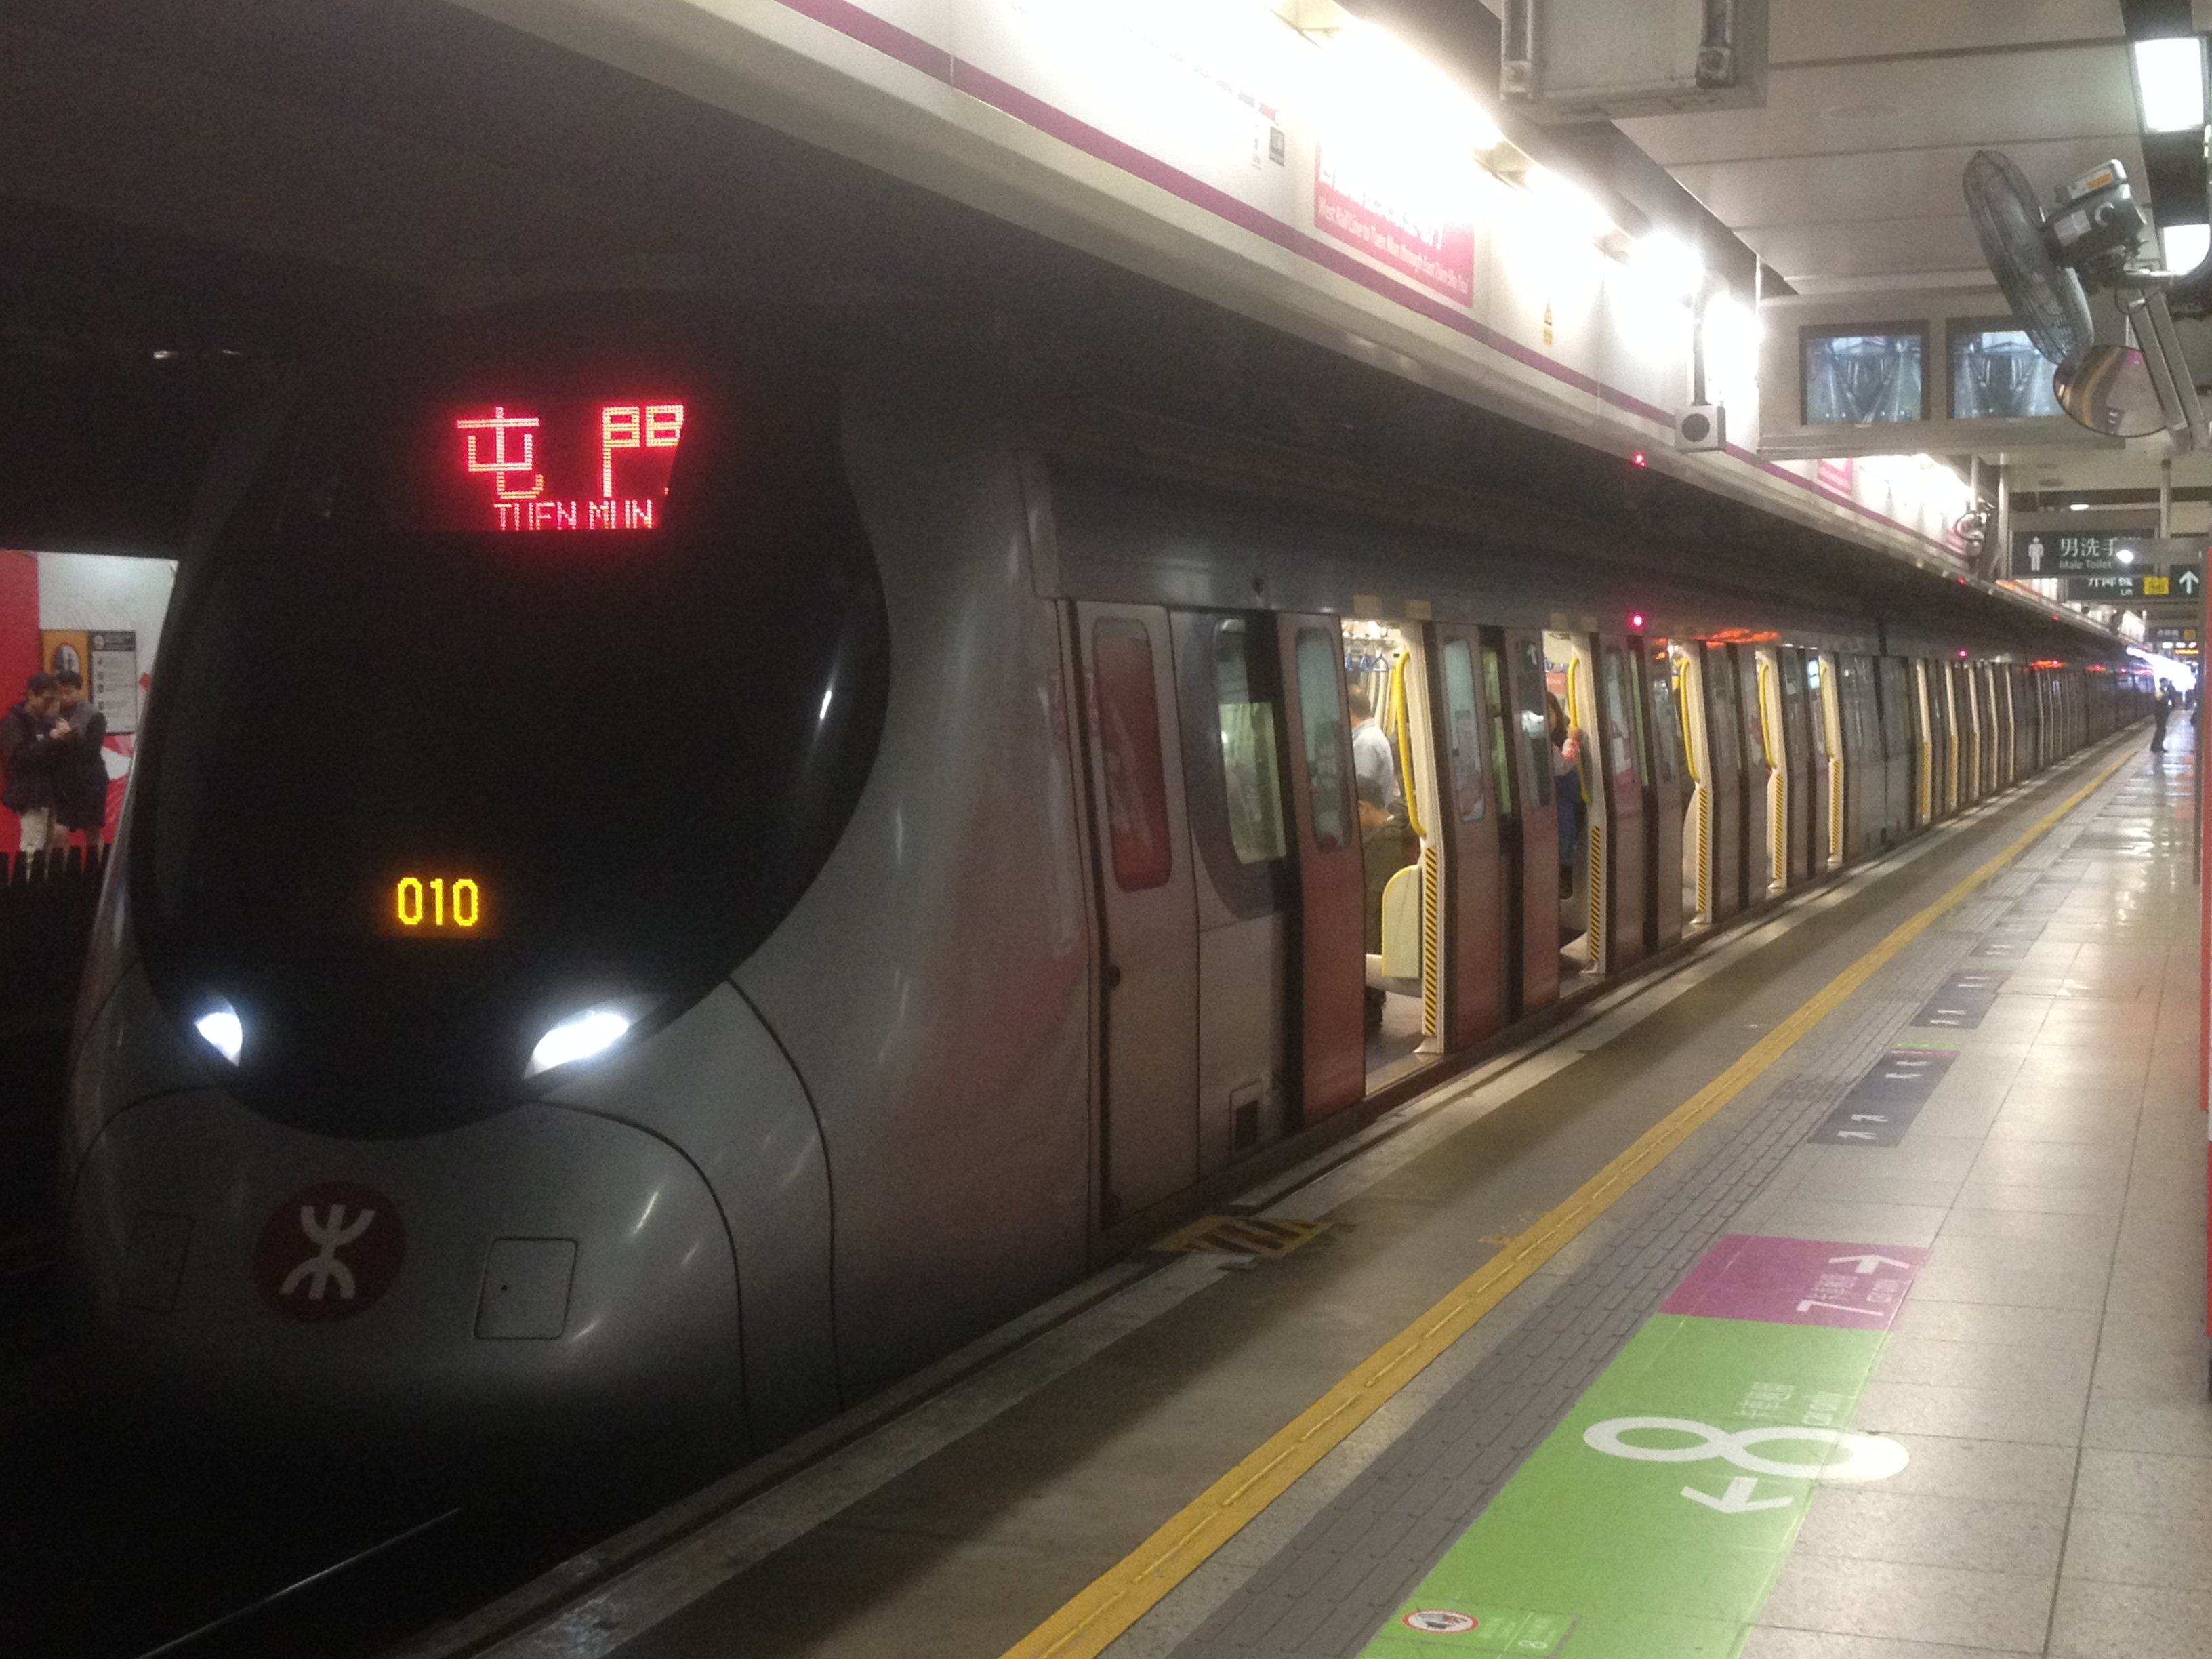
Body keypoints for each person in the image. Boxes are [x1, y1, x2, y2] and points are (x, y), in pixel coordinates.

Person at [1, 672, 69, 855]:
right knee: (32, 850)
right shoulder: (13, 723)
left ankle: (42, 884)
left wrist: (66, 739)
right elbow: (20, 758)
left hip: (49, 793)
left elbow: (57, 759)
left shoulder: (47, 722)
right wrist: (51, 741)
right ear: (31, 695)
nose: (50, 705)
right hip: (29, 794)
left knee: (47, 852)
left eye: (53, 700)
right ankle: (28, 884)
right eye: (47, 699)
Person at [52, 669, 109, 854]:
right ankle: (65, 875)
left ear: (79, 691)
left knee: (92, 830)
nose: (64, 697)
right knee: (59, 833)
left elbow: (91, 752)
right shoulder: (51, 714)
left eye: (69, 692)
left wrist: (71, 736)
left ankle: (97, 873)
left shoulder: (94, 716)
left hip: (90, 780)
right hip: (63, 782)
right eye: (60, 692)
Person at [1348, 684, 1401, 816]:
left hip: (1372, 820)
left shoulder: (1364, 744)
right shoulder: (1374, 734)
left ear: (1350, 712)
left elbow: (1362, 794)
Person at [2150, 684, 2171, 753]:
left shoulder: (2163, 691)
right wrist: (2165, 695)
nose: (2167, 684)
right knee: (2161, 730)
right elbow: (2159, 700)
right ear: (2162, 683)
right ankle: (2156, 747)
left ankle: (2158, 746)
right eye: (2165, 682)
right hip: (2160, 714)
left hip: (2163, 713)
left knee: (2162, 730)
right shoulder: (2159, 691)